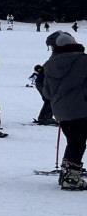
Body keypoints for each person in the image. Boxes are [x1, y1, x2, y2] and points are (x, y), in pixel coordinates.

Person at [39, 31, 87, 188]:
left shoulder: (49, 64)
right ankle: (71, 178)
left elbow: (45, 91)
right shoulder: (83, 61)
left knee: (74, 141)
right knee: (78, 143)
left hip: (60, 110)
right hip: (81, 109)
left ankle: (67, 173)